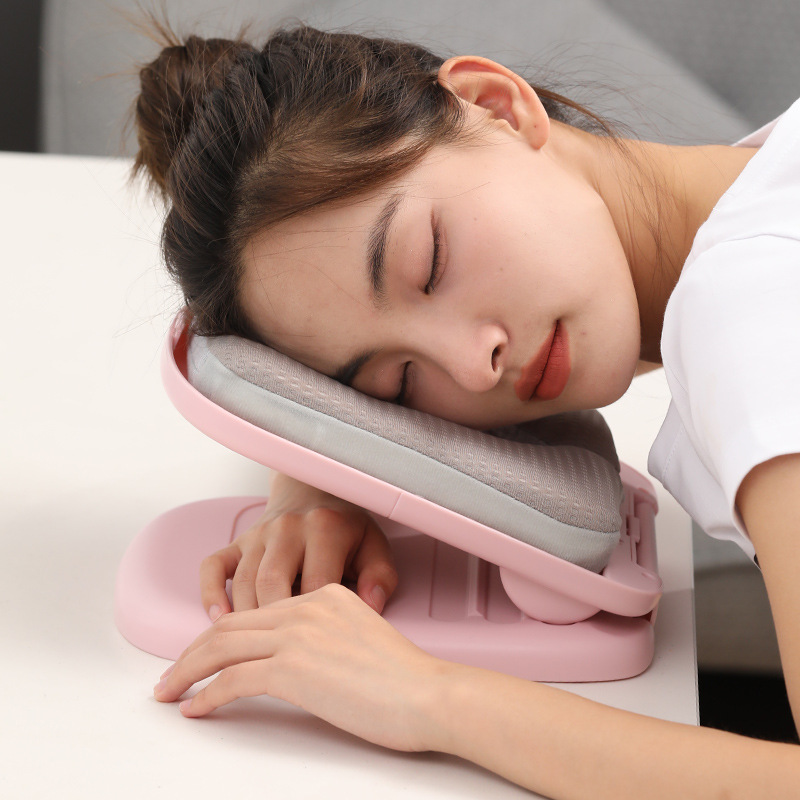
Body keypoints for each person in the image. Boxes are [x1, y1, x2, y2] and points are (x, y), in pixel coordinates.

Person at [138, 22, 800, 798]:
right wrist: (320, 477)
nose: (472, 366)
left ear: (496, 104)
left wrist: (427, 697)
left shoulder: (746, 311)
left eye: (430, 265)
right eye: (397, 385)